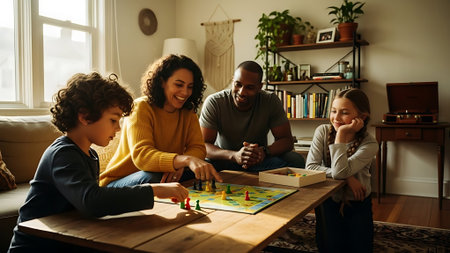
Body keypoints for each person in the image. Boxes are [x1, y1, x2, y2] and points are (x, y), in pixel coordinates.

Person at [8, 72, 189, 252]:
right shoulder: (63, 154)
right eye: (113, 120)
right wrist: (154, 189)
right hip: (35, 247)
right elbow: (92, 201)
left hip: (66, 239)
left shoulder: (89, 154)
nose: (118, 128)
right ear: (85, 116)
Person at [100, 55, 222, 188]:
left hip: (162, 174)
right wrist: (184, 160)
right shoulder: (141, 107)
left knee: (208, 168)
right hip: (119, 181)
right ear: (162, 82)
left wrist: (180, 165)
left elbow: (198, 148)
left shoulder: (188, 112)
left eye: (190, 86)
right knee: (153, 177)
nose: (185, 92)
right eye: (179, 84)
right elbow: (143, 157)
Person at [306, 88, 378, 253]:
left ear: (362, 117)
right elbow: (310, 167)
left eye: (344, 113)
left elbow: (338, 172)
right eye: (333, 111)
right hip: (328, 199)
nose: (336, 118)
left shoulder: (370, 144)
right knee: (330, 248)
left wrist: (341, 135)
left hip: (357, 201)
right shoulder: (322, 131)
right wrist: (349, 179)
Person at [200, 60, 305, 172]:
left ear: (260, 87)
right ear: (232, 81)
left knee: (295, 160)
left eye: (249, 88)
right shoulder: (215, 102)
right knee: (203, 163)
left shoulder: (270, 101)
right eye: (238, 84)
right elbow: (203, 146)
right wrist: (234, 155)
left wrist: (264, 151)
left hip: (258, 161)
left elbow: (286, 141)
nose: (242, 92)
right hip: (225, 160)